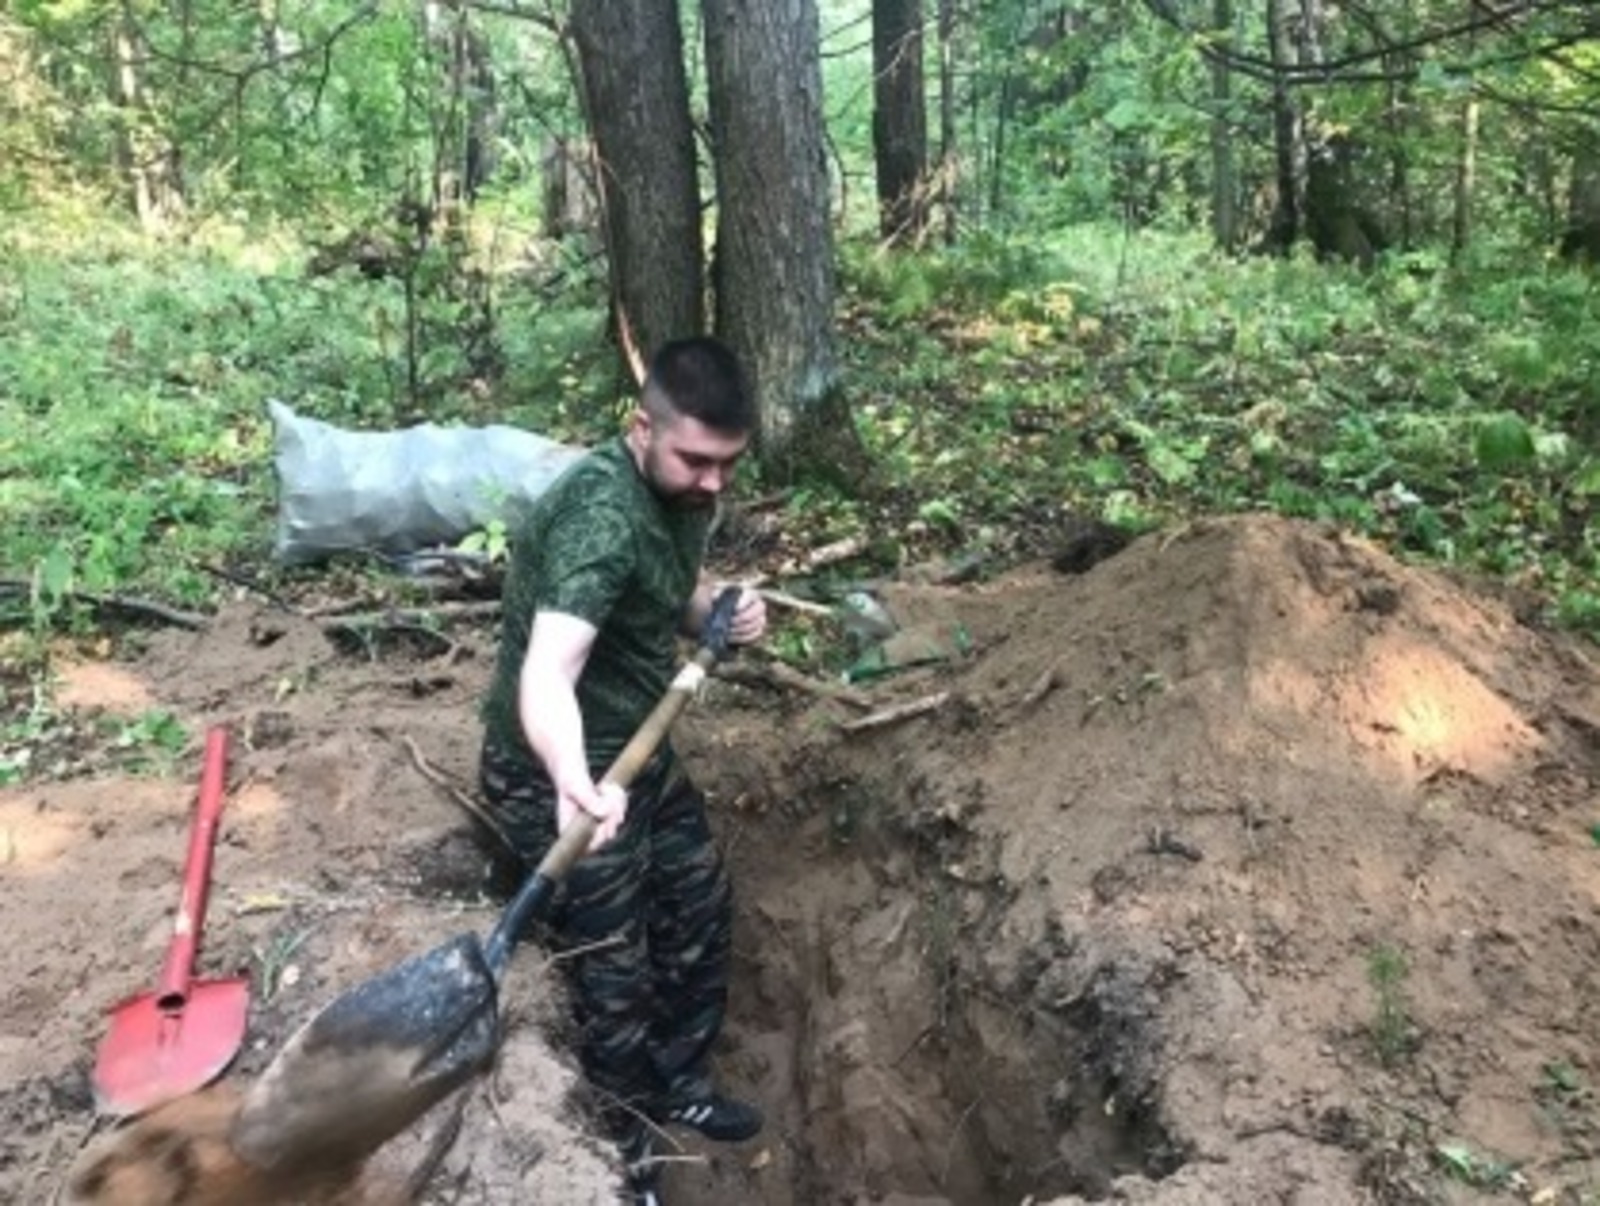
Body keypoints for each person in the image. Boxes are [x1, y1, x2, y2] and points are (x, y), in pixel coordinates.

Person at [478, 336, 767, 1204]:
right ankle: (620, 1155)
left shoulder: (684, 491)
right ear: (642, 429)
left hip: (640, 750)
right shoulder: (598, 519)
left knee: (697, 909)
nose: (713, 482)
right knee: (613, 971)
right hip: (556, 767)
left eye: (728, 463)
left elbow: (659, 594)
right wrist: (571, 778)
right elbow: (547, 672)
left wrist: (713, 612)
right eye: (696, 461)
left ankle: (678, 1084)